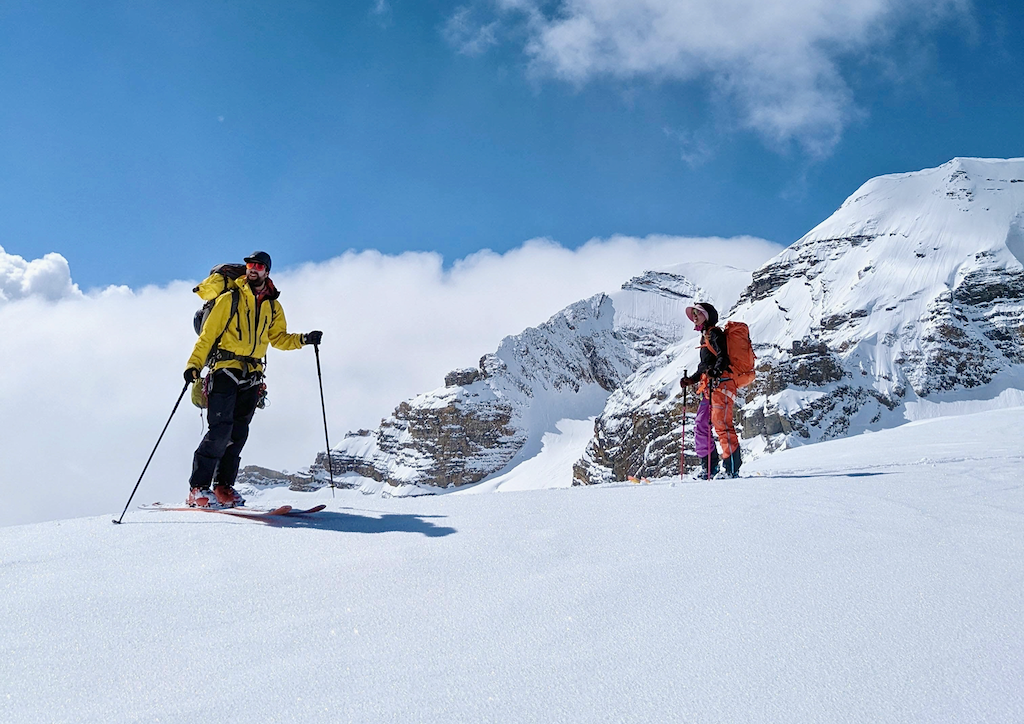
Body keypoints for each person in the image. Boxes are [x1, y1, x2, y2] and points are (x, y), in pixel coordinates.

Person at [183, 251, 323, 508]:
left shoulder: (273, 306)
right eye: (250, 265)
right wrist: (194, 365)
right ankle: (198, 489)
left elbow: (278, 338)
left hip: (253, 375)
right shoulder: (230, 298)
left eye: (258, 266)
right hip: (224, 370)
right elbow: (208, 336)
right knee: (220, 430)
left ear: (267, 271)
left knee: (238, 433)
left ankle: (223, 487)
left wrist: (304, 339)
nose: (252, 269)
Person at [679, 302, 742, 478]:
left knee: (722, 425)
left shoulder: (715, 333)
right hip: (710, 387)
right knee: (701, 424)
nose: (694, 316)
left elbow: (723, 356)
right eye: (693, 313)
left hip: (722, 385)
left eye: (697, 312)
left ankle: (731, 470)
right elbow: (704, 366)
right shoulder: (705, 336)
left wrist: (716, 371)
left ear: (707, 316)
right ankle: (709, 468)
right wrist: (692, 379)